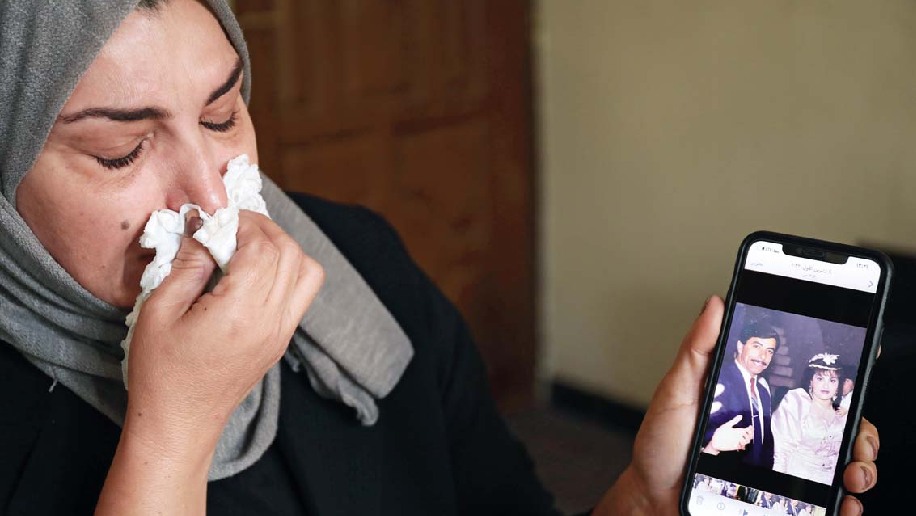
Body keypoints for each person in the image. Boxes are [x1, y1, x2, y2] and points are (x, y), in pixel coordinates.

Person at [0, 1, 880, 515]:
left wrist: (646, 498)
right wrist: (175, 429)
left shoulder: (361, 265)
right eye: (121, 152)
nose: (212, 195)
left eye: (224, 116)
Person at [702, 320, 779, 468]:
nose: (763, 356)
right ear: (740, 346)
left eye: (769, 351)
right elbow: (705, 429)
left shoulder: (763, 391)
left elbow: (766, 438)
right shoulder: (720, 378)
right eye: (757, 346)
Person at [771, 353, 849, 485]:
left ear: (838, 385)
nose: (826, 385)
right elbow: (782, 451)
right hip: (796, 476)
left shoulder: (842, 415)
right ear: (811, 381)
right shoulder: (797, 403)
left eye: (832, 380)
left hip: (827, 482)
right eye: (820, 378)